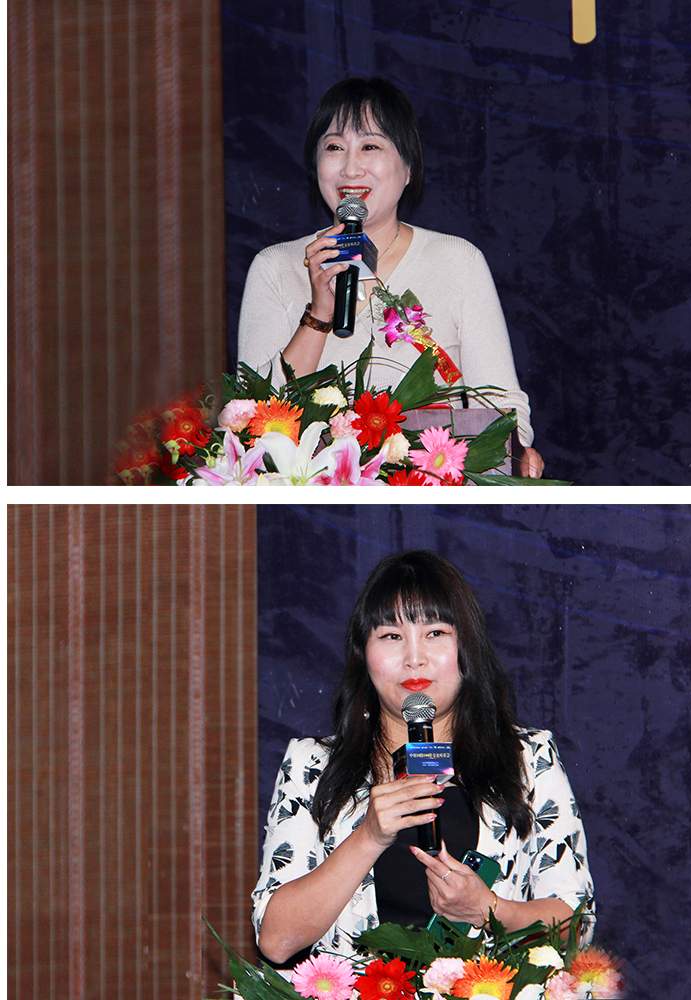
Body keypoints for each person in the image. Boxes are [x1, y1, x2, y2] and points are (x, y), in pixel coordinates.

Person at [251, 551, 593, 965]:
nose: (414, 658)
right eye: (391, 636)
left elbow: (577, 924)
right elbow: (276, 941)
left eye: (435, 633)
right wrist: (369, 836)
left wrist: (490, 909)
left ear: (466, 647)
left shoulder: (527, 758)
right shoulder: (313, 764)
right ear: (363, 653)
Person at [236, 78, 544, 478]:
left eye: (370, 147)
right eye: (334, 147)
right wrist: (319, 314)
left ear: (408, 169)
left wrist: (514, 454)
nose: (350, 168)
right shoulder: (274, 267)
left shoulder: (457, 261)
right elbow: (249, 423)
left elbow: (501, 406)